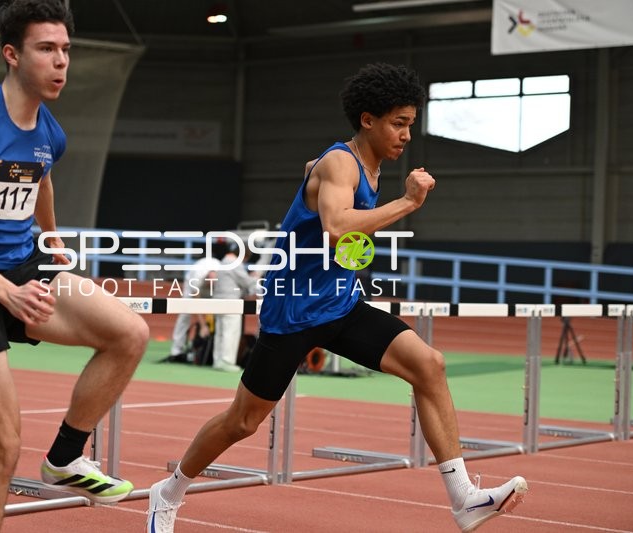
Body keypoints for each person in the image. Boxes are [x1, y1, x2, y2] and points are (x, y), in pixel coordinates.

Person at [146, 63, 527, 533]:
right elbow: (337, 225)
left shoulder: (363, 165)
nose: (407, 134)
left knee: (429, 364)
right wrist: (408, 203)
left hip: (341, 305)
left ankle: (464, 498)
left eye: (411, 123)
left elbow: (331, 215)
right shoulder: (341, 162)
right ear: (368, 119)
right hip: (294, 310)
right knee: (242, 423)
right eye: (398, 123)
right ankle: (168, 492)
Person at [0, 1, 149, 531]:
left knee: (129, 333)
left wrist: (52, 234)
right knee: (2, 448)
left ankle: (65, 457)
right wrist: (6, 294)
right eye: (46, 49)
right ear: (12, 55)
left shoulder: (51, 132)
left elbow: (40, 175)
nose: (61, 61)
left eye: (66, 50)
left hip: (23, 267)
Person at [210, 246, 258, 372]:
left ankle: (218, 360)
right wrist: (255, 279)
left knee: (220, 332)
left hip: (219, 300)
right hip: (230, 302)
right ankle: (227, 360)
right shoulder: (234, 263)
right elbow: (246, 281)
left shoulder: (224, 261)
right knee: (231, 331)